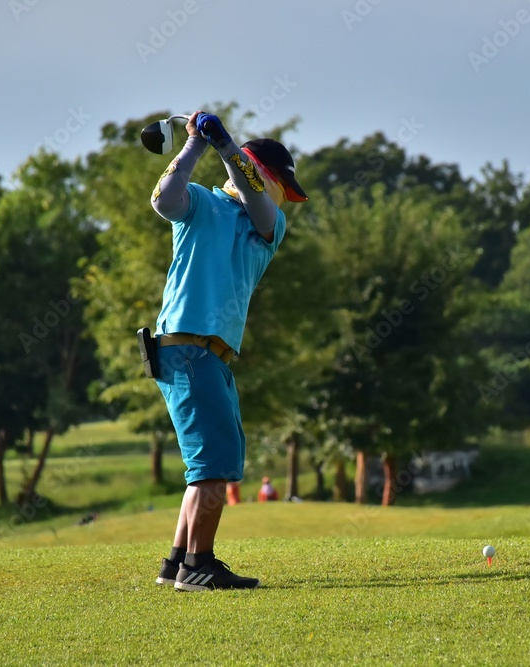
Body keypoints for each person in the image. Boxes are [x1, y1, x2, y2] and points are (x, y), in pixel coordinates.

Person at [148, 111, 308, 592]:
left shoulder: (269, 224)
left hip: (210, 356)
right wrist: (196, 145)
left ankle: (177, 561)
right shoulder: (200, 202)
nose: (284, 196)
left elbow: (256, 197)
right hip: (186, 348)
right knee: (213, 464)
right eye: (282, 184)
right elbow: (163, 199)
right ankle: (199, 566)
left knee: (213, 461)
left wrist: (226, 146)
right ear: (264, 172)